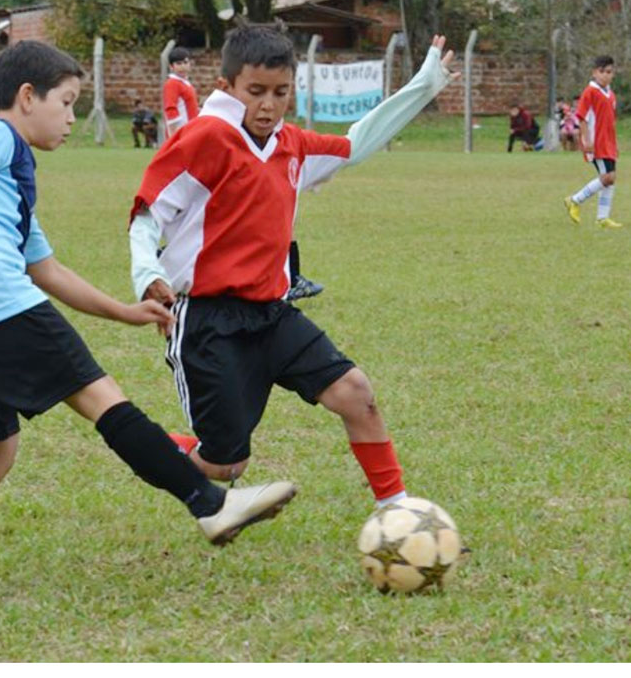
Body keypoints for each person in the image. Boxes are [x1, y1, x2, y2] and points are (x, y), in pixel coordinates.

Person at [0, 41, 296, 597]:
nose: (71, 118)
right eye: (65, 103)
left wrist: (125, 313)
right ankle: (209, 503)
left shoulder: (12, 186)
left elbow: (46, 269)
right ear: (26, 97)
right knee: (100, 398)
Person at [128, 27, 458, 510]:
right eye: (255, 91)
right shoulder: (206, 138)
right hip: (207, 322)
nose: (268, 105)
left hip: (272, 314)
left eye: (280, 92)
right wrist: (145, 276)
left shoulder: (293, 146)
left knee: (356, 393)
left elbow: (358, 144)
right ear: (227, 87)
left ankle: (398, 513)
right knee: (225, 466)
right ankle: (146, 445)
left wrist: (424, 85)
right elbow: (147, 213)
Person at [563, 55, 623, 229]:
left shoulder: (610, 94)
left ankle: (602, 218)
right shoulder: (590, 92)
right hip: (596, 142)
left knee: (609, 178)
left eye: (610, 72)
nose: (606, 75)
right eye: (602, 72)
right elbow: (581, 117)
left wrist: (614, 142)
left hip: (608, 142)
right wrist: (586, 139)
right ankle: (574, 200)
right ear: (595, 73)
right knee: (608, 177)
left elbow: (610, 120)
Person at [163, 47, 199, 138]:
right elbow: (170, 109)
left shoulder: (185, 83)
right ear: (171, 66)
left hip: (191, 129)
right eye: (178, 63)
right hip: (181, 132)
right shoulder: (172, 83)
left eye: (185, 62)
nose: (183, 66)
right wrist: (175, 136)